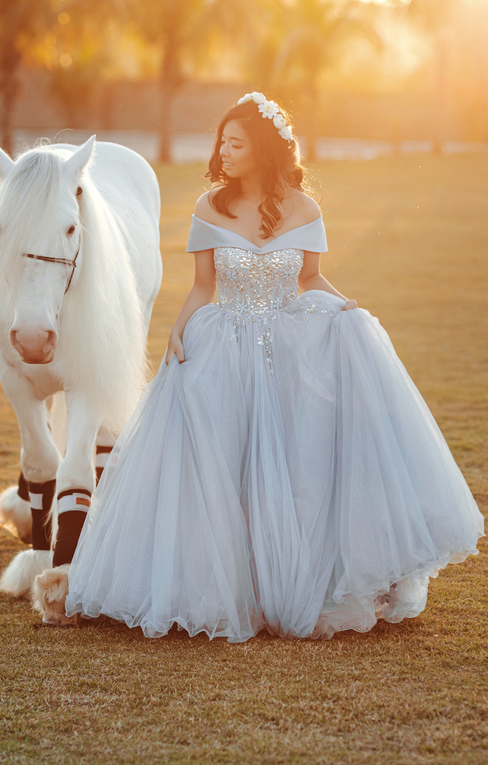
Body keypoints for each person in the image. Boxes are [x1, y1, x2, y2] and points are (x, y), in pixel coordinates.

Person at [60, 93, 483, 641]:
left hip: (290, 350)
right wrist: (178, 330)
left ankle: (300, 577)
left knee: (296, 469)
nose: (224, 151)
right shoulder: (209, 206)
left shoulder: (305, 209)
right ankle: (226, 584)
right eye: (222, 142)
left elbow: (309, 280)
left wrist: (349, 312)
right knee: (222, 465)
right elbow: (203, 287)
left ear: (262, 150)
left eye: (236, 143)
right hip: (224, 344)